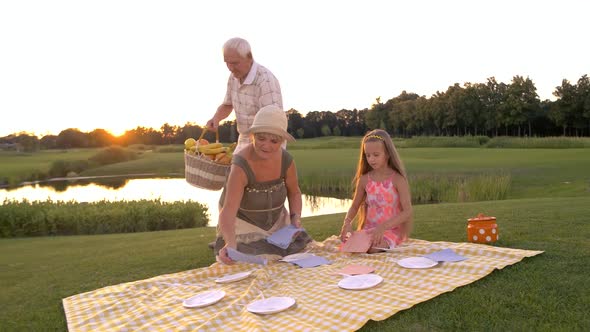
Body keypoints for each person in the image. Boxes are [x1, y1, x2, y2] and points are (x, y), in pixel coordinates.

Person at [214, 105, 312, 264]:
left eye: (274, 141)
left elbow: (294, 192)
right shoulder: (240, 166)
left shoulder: (287, 161)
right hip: (244, 225)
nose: (266, 146)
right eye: (261, 138)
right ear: (252, 136)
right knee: (255, 261)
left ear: (281, 141)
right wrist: (230, 243)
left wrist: (295, 218)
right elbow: (228, 210)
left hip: (277, 224)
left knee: (297, 257)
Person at [339, 129, 413, 253]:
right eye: (368, 155)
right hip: (369, 230)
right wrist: (346, 223)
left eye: (376, 155)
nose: (371, 159)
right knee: (349, 248)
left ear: (388, 154)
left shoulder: (397, 179)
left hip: (391, 231)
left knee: (372, 248)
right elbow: (355, 206)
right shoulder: (364, 180)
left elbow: (408, 211)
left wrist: (383, 227)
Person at [206, 37, 283, 153]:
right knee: (233, 170)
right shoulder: (233, 77)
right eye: (227, 63)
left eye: (235, 63)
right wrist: (216, 118)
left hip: (266, 144)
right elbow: (228, 104)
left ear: (249, 58)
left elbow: (272, 123)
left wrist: (257, 150)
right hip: (244, 140)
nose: (231, 68)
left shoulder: (265, 80)